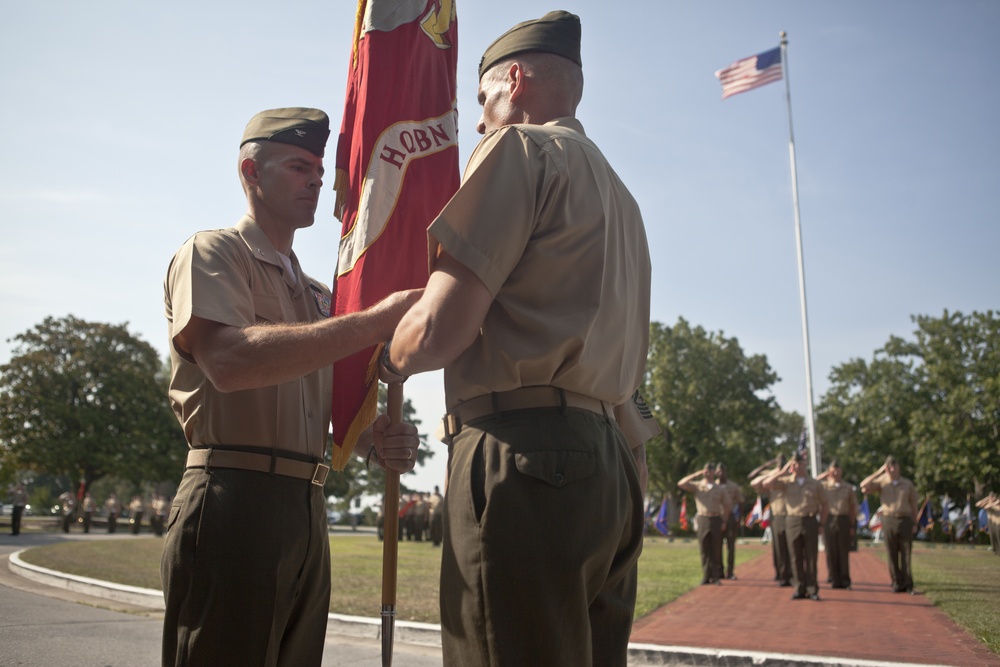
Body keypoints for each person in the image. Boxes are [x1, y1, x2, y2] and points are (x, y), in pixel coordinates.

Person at [381, 11, 658, 666]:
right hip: (611, 466)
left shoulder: (519, 150)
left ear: (514, 78)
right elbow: (625, 382)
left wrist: (388, 352)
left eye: (483, 100)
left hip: (523, 457)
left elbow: (441, 330)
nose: (479, 121)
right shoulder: (625, 199)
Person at [160, 107, 421, 667]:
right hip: (233, 496)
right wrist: (373, 322)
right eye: (299, 166)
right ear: (251, 172)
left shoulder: (321, 296)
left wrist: (375, 440)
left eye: (320, 170)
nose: (317, 180)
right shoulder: (214, 253)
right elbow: (227, 362)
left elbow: (329, 408)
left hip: (307, 507)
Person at [764, 452, 828, 600]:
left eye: (799, 463)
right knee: (795, 556)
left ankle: (812, 589)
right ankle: (799, 588)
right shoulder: (786, 482)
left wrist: (822, 524)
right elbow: (767, 484)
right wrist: (782, 470)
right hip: (792, 520)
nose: (796, 466)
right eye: (794, 464)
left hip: (810, 519)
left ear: (805, 464)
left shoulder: (815, 484)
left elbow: (825, 504)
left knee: (811, 557)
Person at [861, 455, 919, 593]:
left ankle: (908, 583)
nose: (891, 469)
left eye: (893, 466)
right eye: (888, 467)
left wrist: (914, 522)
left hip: (905, 519)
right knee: (891, 553)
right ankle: (896, 582)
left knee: (906, 553)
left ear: (899, 467)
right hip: (888, 519)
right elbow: (863, 485)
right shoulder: (882, 482)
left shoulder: (907, 484)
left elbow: (913, 504)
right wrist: (880, 472)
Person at [678, 463, 731, 585]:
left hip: (716, 519)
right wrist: (697, 474)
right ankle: (706, 576)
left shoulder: (719, 489)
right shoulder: (698, 486)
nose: (707, 472)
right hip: (702, 519)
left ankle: (716, 577)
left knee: (716, 549)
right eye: (705, 470)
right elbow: (681, 483)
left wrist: (724, 520)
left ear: (714, 472)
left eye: (709, 470)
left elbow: (727, 505)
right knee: (704, 548)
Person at [751, 455, 791, 586]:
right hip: (778, 515)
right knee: (778, 547)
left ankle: (793, 573)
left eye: (783, 462)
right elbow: (753, 480)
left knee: (793, 546)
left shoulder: (792, 476)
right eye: (779, 462)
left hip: (792, 515)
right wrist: (770, 468)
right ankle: (781, 573)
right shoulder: (771, 477)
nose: (781, 464)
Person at [817, 460, 857, 589]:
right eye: (832, 470)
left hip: (843, 519)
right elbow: (813, 482)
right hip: (828, 519)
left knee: (843, 551)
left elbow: (853, 507)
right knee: (830, 551)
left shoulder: (848, 488)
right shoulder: (824, 486)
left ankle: (845, 581)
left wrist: (852, 525)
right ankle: (834, 579)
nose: (835, 472)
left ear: (841, 471)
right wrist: (825, 474)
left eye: (838, 469)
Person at [716, 463, 743, 580]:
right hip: (717, 517)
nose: (720, 473)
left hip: (731, 518)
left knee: (731, 546)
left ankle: (730, 571)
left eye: (723, 471)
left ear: (726, 472)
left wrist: (739, 518)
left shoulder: (733, 486)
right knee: (717, 546)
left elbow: (741, 502)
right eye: (718, 471)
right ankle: (719, 571)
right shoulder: (712, 486)